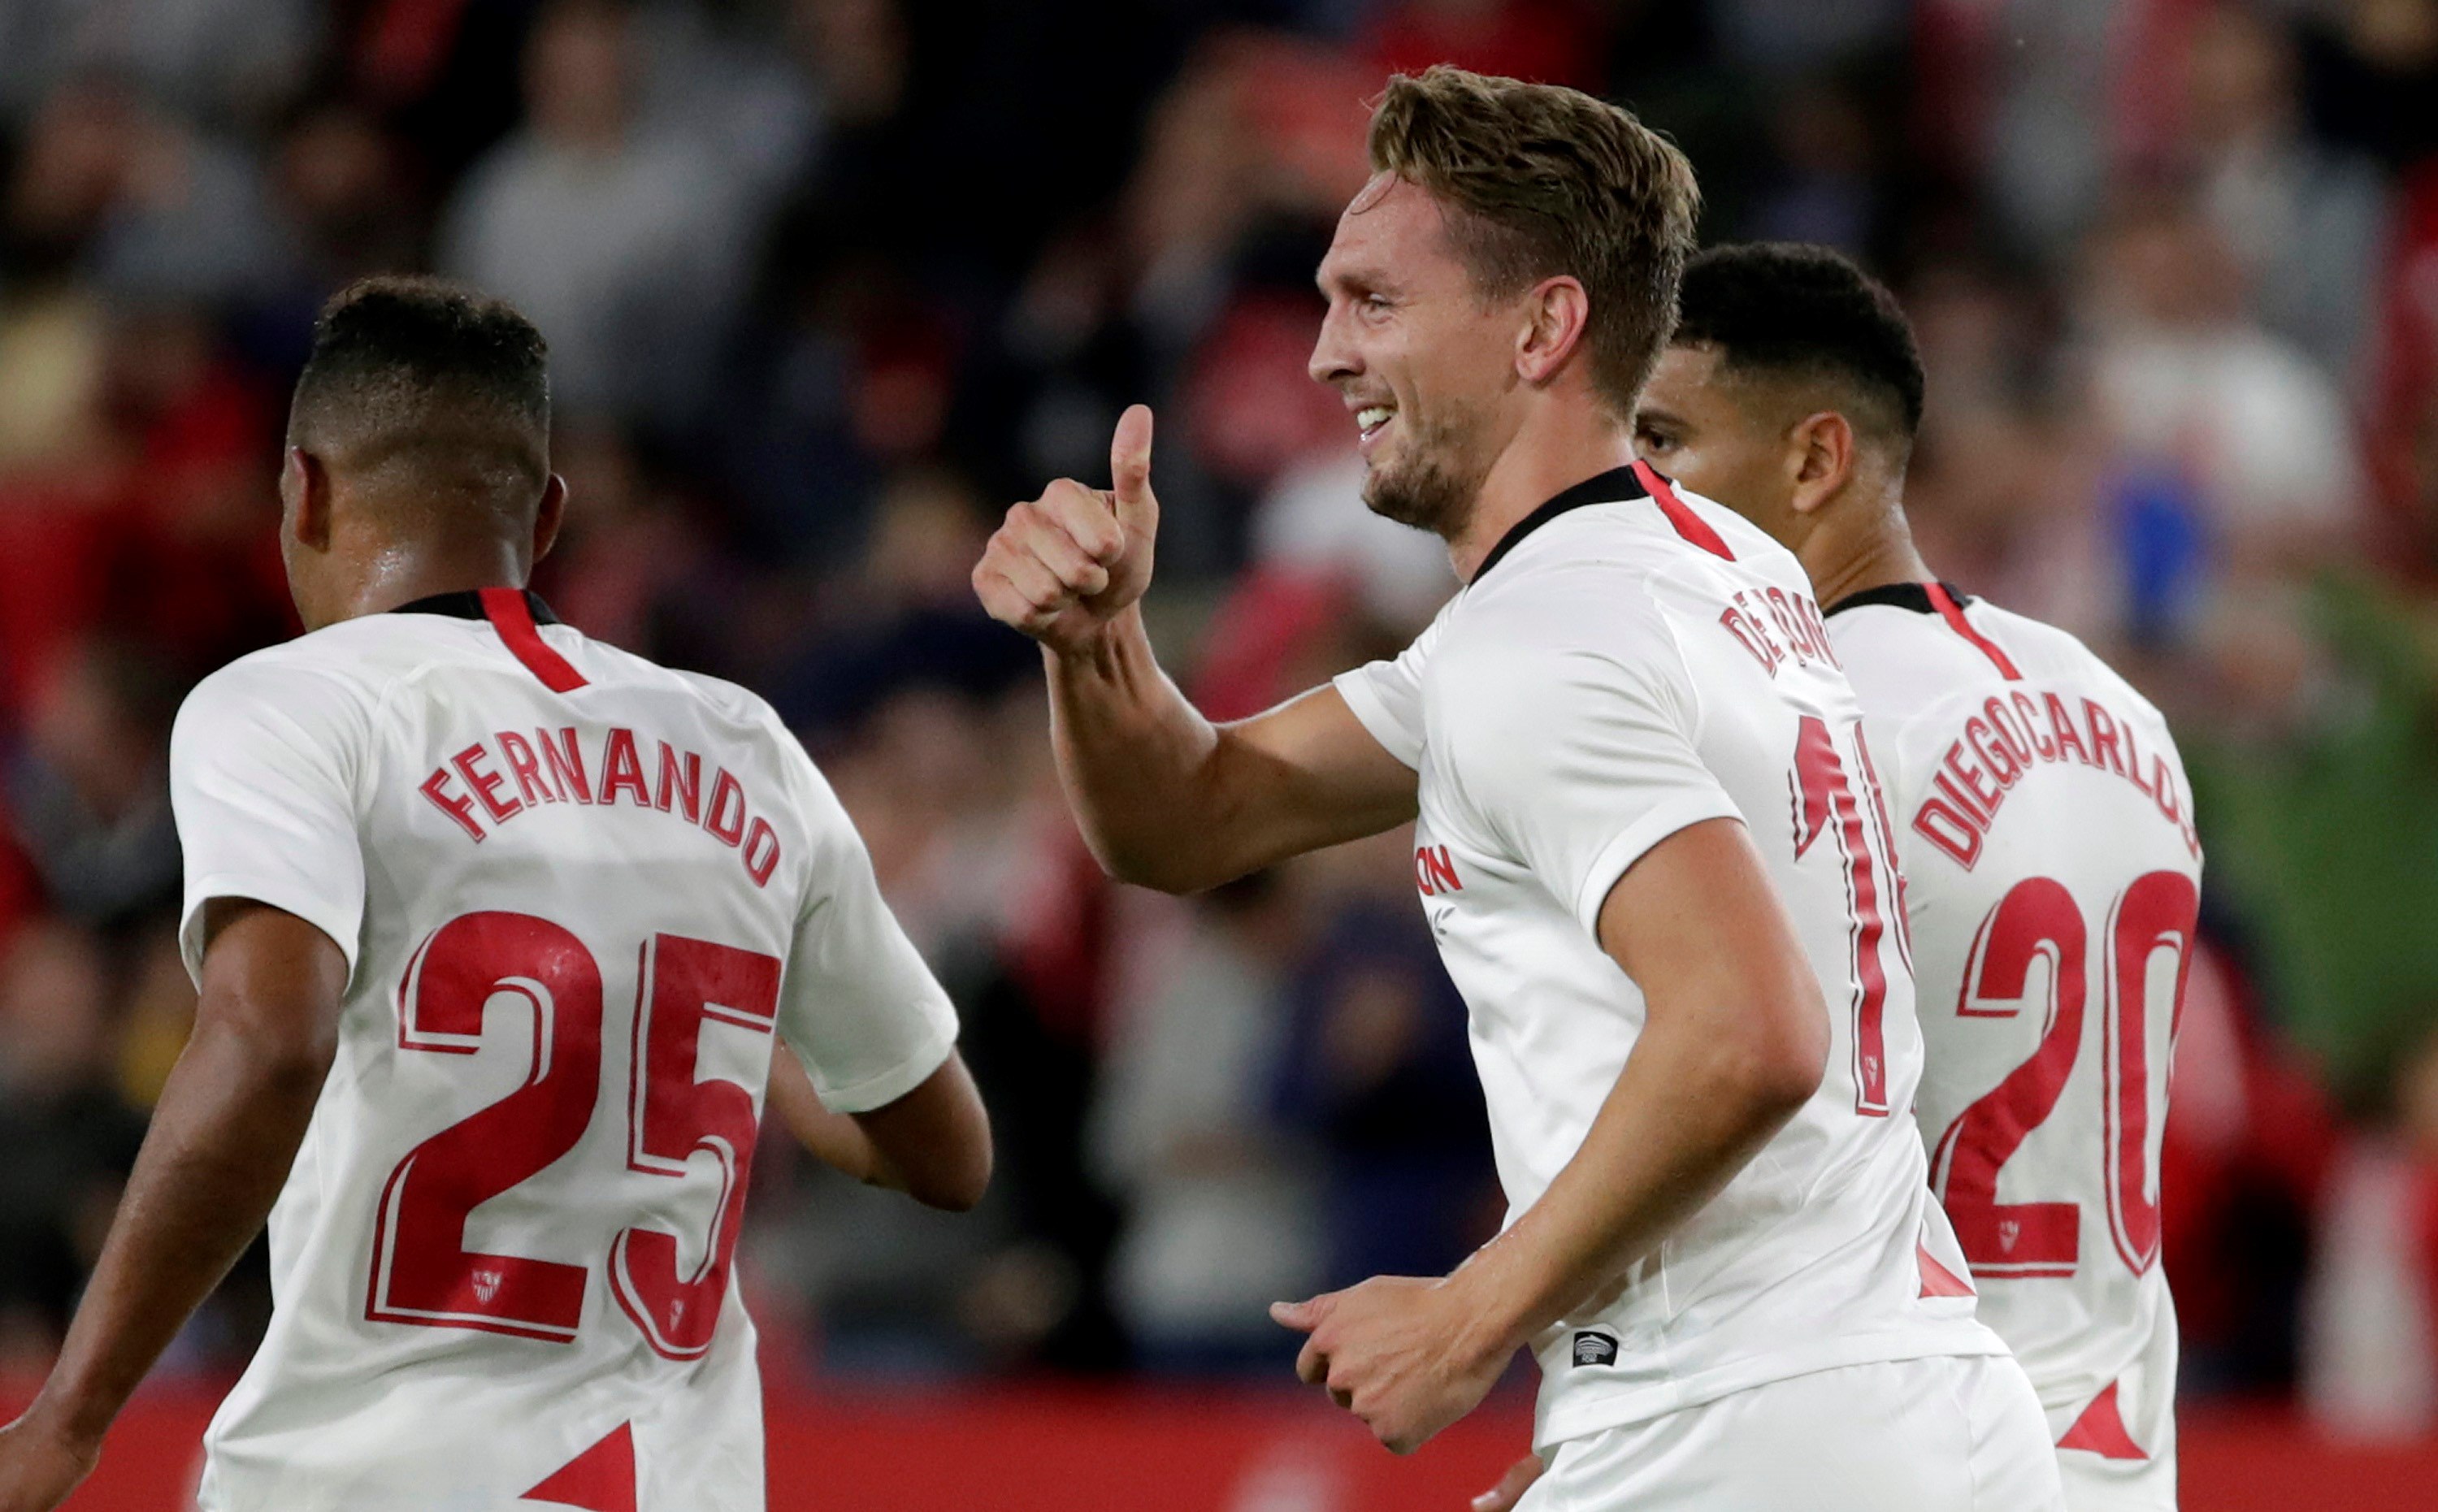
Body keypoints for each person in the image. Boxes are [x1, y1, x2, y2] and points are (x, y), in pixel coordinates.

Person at [973, 67, 2059, 1510]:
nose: (1321, 356)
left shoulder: (1541, 643)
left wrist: (1476, 1314)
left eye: (1374, 302)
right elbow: (1191, 817)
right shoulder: (1716, 575)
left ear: (1547, 325)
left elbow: (1749, 1030)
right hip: (1882, 1392)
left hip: (1751, 1418)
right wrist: (1095, 642)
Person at [0, 277, 991, 1512]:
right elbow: (948, 1149)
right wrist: (726, 1040)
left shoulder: (290, 704)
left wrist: (68, 1415)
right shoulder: (748, 744)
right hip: (676, 1484)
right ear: (552, 515)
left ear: (301, 490)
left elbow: (268, 1034)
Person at [1617, 242, 2203, 1510]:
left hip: (1889, 1452)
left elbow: (1746, 1110)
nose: (1633, 492)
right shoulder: (2126, 717)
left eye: (1662, 441)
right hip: (2116, 1457)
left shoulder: (1789, 731)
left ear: (1816, 460)